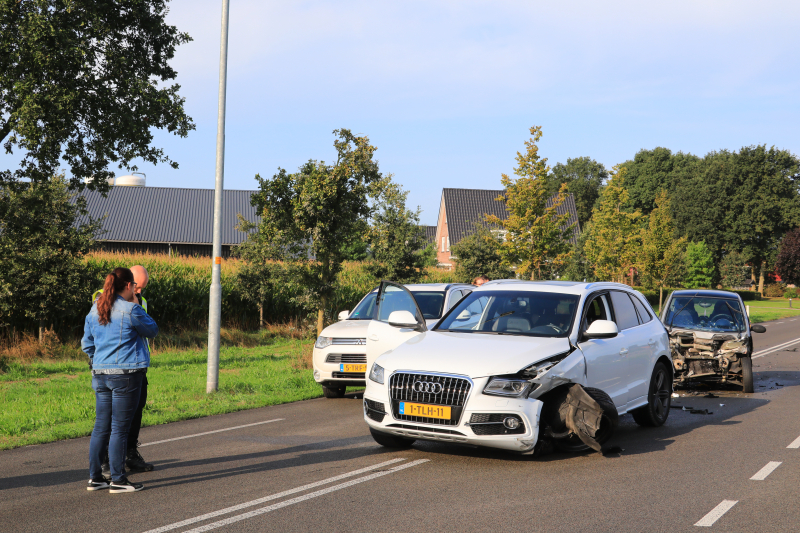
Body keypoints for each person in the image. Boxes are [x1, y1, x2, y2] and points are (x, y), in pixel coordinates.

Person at [83, 267, 158, 493]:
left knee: (101, 427)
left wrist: (99, 362)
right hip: (126, 375)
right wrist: (135, 303)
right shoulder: (130, 309)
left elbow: (87, 344)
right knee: (120, 429)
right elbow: (152, 330)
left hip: (100, 374)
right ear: (128, 286)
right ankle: (118, 480)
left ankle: (95, 478)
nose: (136, 290)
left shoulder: (94, 309)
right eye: (134, 286)